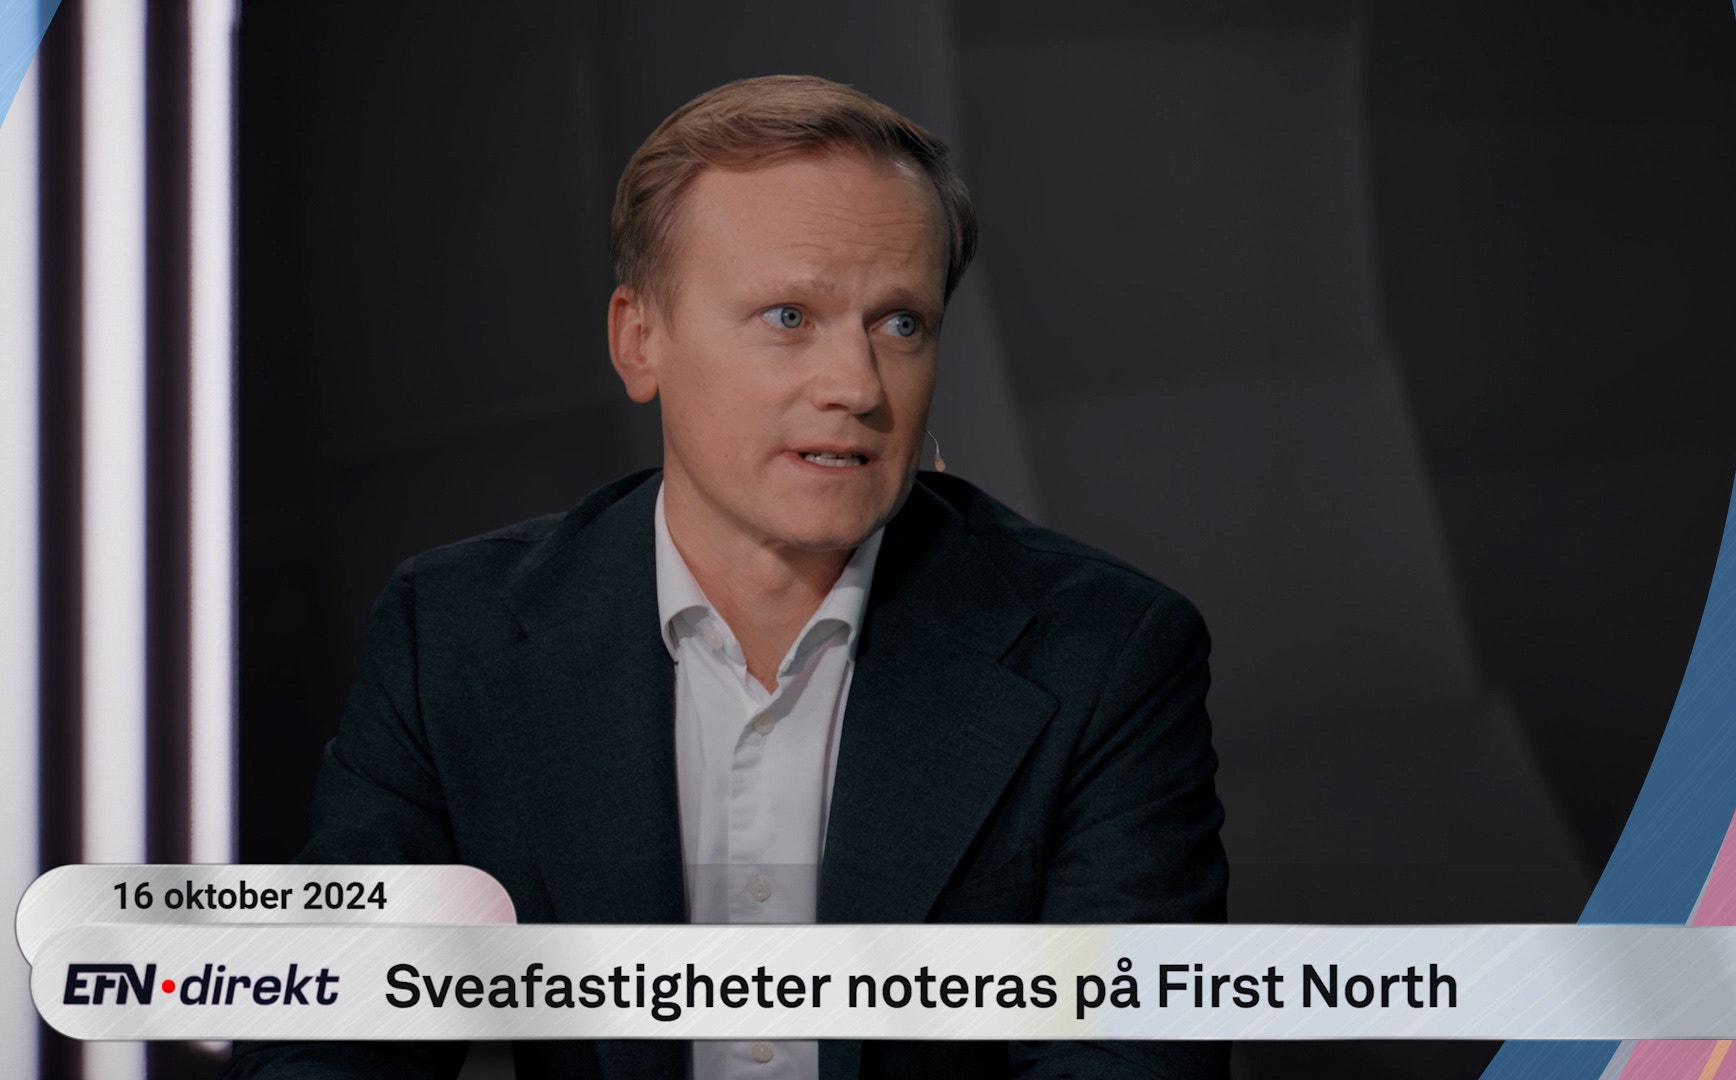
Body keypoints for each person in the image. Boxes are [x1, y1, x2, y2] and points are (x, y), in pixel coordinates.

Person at [225, 74, 1228, 1080]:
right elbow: (324, 1038)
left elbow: (1133, 1058)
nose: (857, 386)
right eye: (789, 316)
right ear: (639, 341)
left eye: (900, 324)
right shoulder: (456, 635)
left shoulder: (1105, 652)